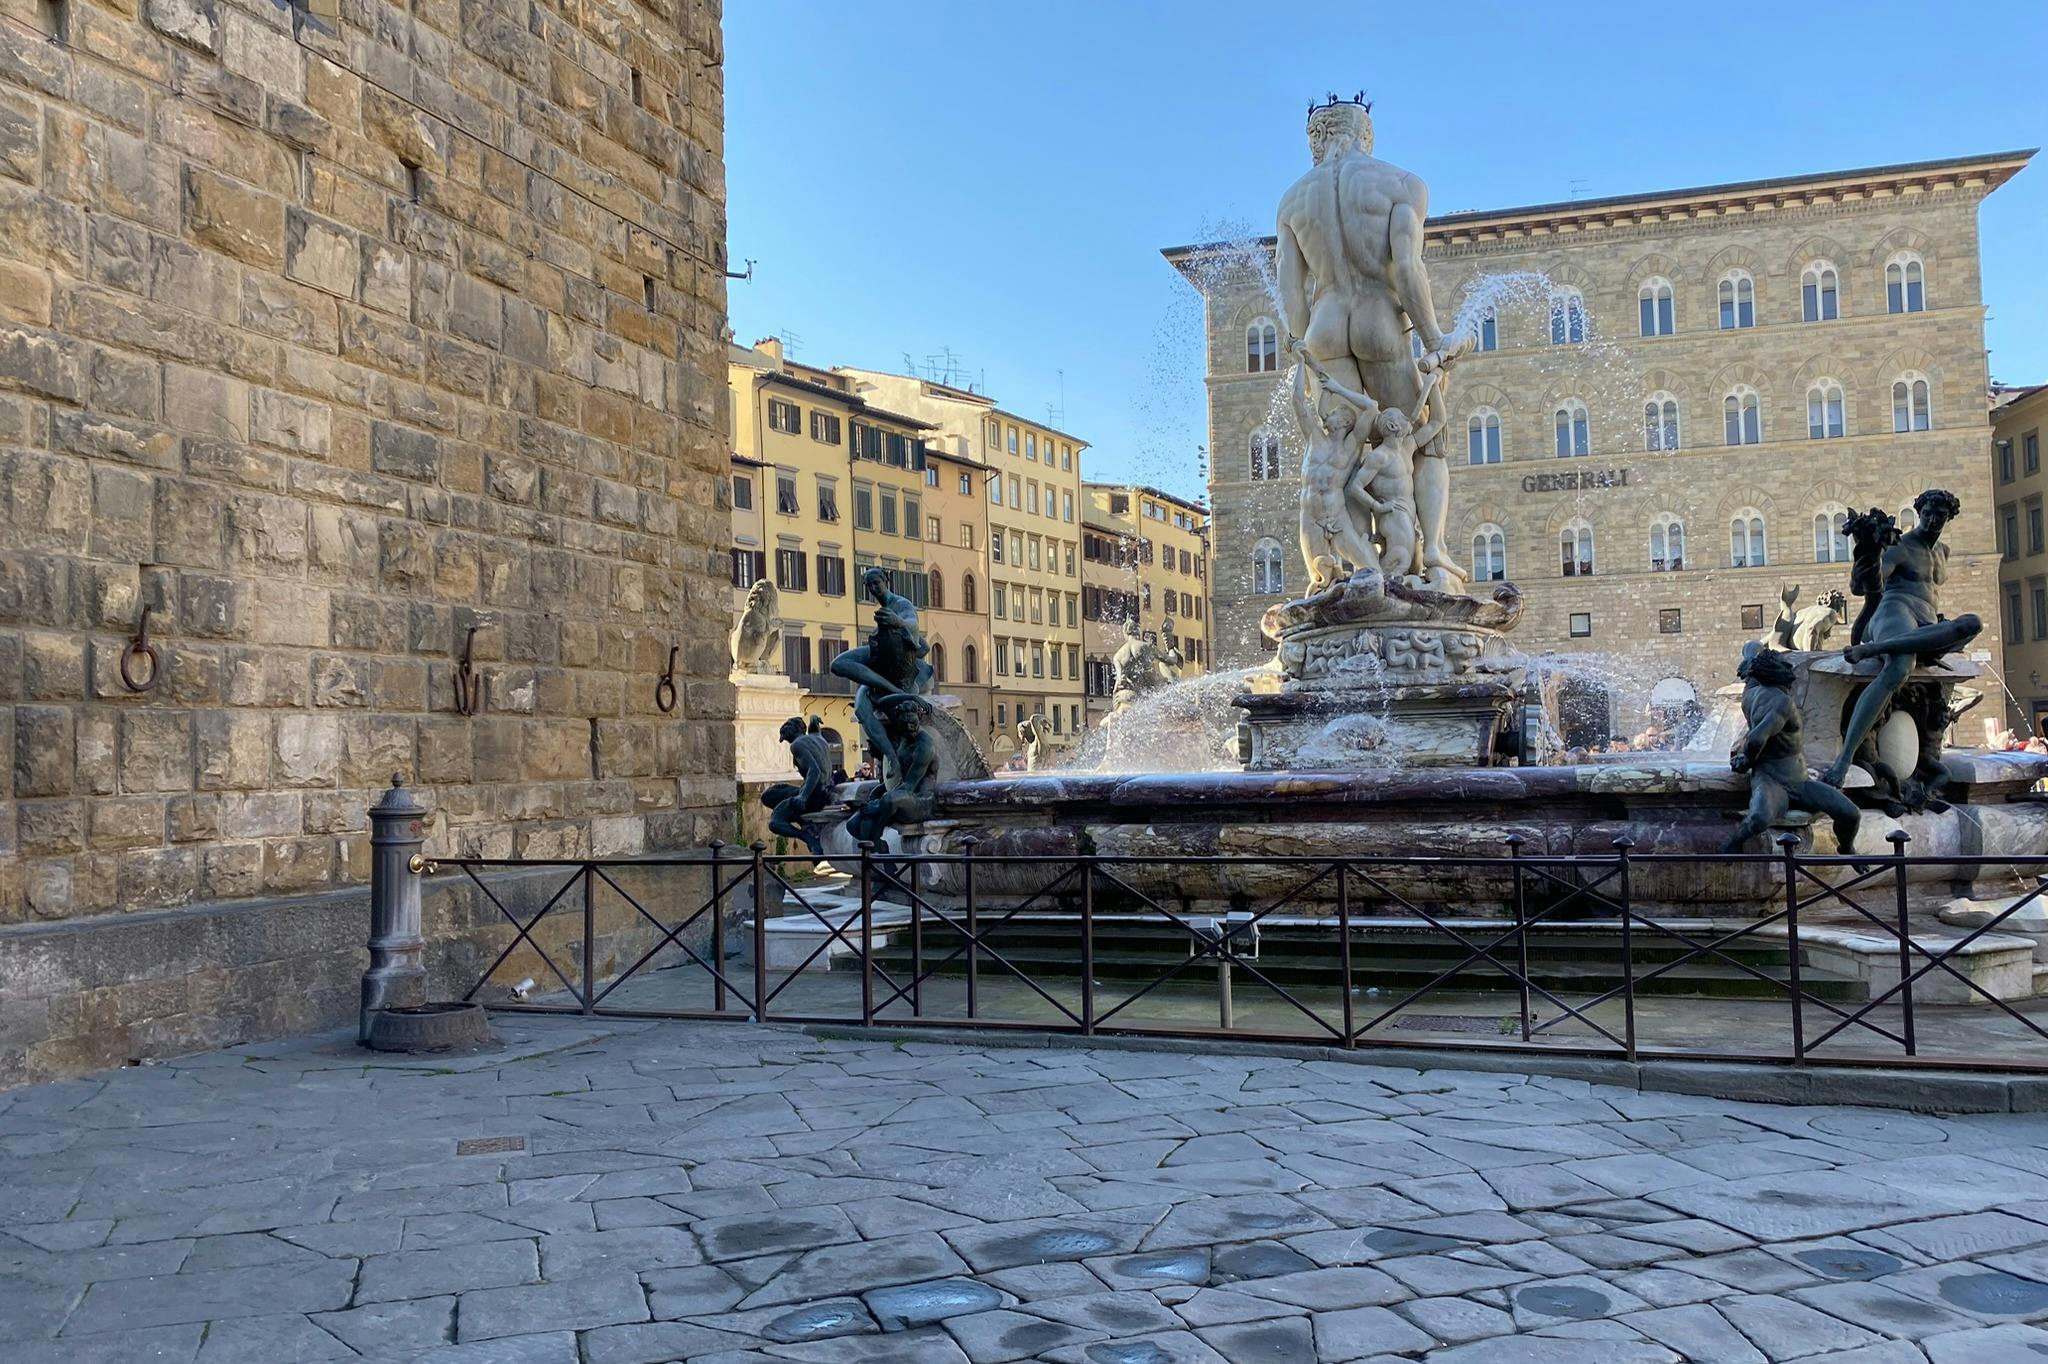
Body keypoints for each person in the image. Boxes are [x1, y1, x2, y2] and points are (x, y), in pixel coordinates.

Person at [1276, 98, 1473, 587]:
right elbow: (1407, 269)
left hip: (1324, 330)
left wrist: (1305, 353)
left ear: (1318, 140)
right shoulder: (1401, 184)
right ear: (1366, 136)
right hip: (1378, 321)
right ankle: (1435, 559)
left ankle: (1350, 568)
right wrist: (1433, 341)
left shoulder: (1293, 200)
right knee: (1422, 443)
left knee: (1341, 451)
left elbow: (1289, 291)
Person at [1822, 490, 1981, 788]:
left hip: (1926, 622)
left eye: (1940, 515)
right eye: (1928, 513)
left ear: (1949, 518)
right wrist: (1868, 554)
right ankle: (1843, 760)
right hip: (1895, 611)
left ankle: (1876, 649)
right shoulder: (1901, 546)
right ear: (1919, 513)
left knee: (1972, 624)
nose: (1933, 520)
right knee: (1898, 667)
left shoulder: (1943, 551)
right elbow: (1862, 587)